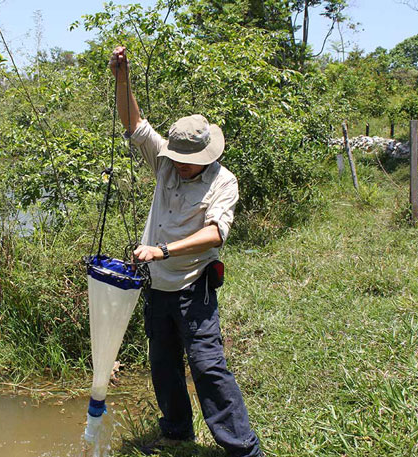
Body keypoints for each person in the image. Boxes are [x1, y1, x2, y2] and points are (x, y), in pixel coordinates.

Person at [109, 46, 265, 457]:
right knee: (163, 365)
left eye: (187, 161)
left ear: (206, 156)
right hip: (157, 288)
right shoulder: (165, 163)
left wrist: (162, 250)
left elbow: (216, 233)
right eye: (175, 158)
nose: (179, 165)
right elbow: (136, 123)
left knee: (209, 368)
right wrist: (122, 79)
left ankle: (244, 449)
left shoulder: (223, 182)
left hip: (194, 286)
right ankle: (177, 432)